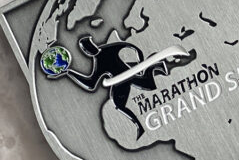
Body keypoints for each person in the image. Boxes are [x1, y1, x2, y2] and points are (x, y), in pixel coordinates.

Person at [47, 35, 193, 139]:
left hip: (129, 74)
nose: (89, 49)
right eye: (86, 49)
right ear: (86, 52)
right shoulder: (98, 62)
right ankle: (139, 126)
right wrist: (69, 72)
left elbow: (130, 46)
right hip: (120, 82)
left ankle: (155, 65)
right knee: (119, 104)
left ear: (93, 44)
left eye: (89, 46)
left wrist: (140, 61)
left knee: (149, 86)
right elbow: (91, 84)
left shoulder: (109, 49)